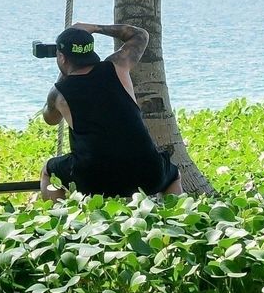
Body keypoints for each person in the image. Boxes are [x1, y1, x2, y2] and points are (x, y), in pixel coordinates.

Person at [38, 22, 183, 199]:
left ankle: (60, 214)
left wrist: (63, 74)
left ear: (62, 57)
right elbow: (140, 35)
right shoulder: (118, 66)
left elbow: (50, 119)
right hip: (148, 173)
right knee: (173, 175)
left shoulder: (58, 93)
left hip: (94, 179)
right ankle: (173, 213)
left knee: (48, 172)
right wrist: (96, 28)